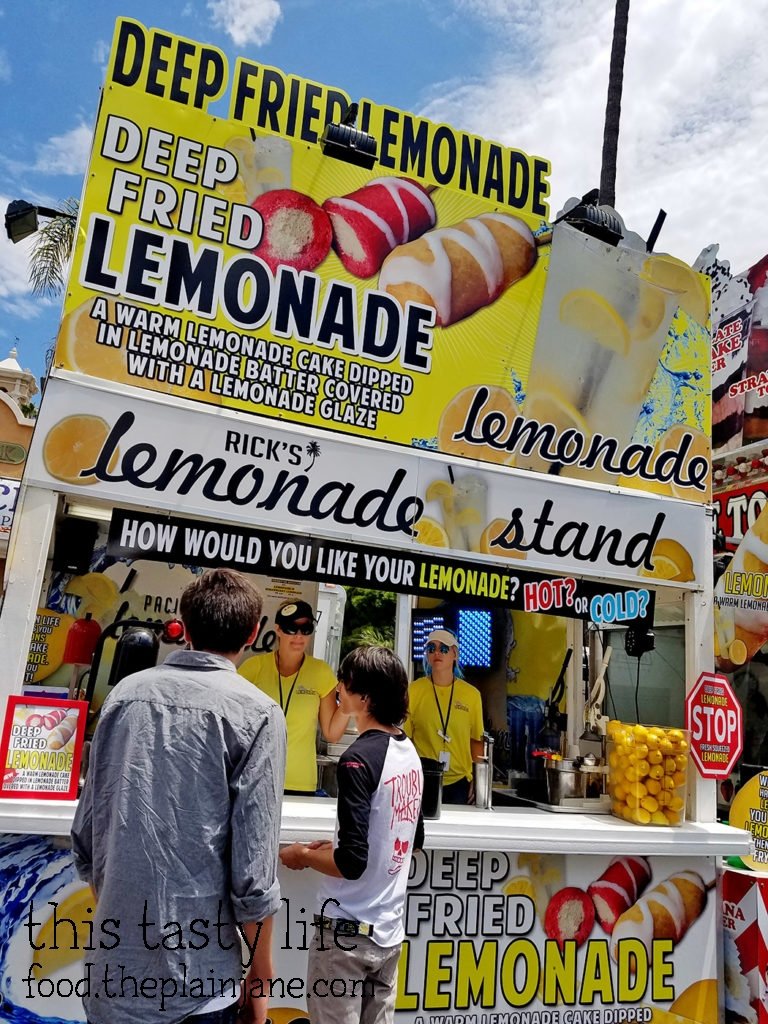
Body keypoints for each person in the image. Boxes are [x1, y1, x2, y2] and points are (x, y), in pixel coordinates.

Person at [71, 568, 286, 1024]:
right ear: (253, 634)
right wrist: (261, 971)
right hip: (199, 986)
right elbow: (253, 875)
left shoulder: (124, 696)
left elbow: (88, 839)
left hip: (111, 979)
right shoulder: (259, 713)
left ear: (183, 627)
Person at [280, 646, 424, 1024]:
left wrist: (304, 856)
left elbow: (351, 863)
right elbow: (410, 837)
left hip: (346, 934)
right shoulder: (409, 752)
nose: (338, 689)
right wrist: (339, 849)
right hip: (388, 932)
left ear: (365, 697)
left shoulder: (357, 760)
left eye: (345, 682)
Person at [239, 599, 350, 795]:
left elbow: (332, 733)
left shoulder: (321, 672)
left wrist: (348, 704)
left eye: (306, 628)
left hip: (300, 781)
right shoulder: (253, 668)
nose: (299, 635)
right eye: (291, 628)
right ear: (279, 630)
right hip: (256, 778)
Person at [404, 628, 484, 804]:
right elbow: (405, 739)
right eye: (431, 648)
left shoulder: (471, 695)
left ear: (455, 654)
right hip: (422, 778)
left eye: (444, 648)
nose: (437, 653)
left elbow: (476, 741)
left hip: (459, 781)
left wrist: (478, 780)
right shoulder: (414, 690)